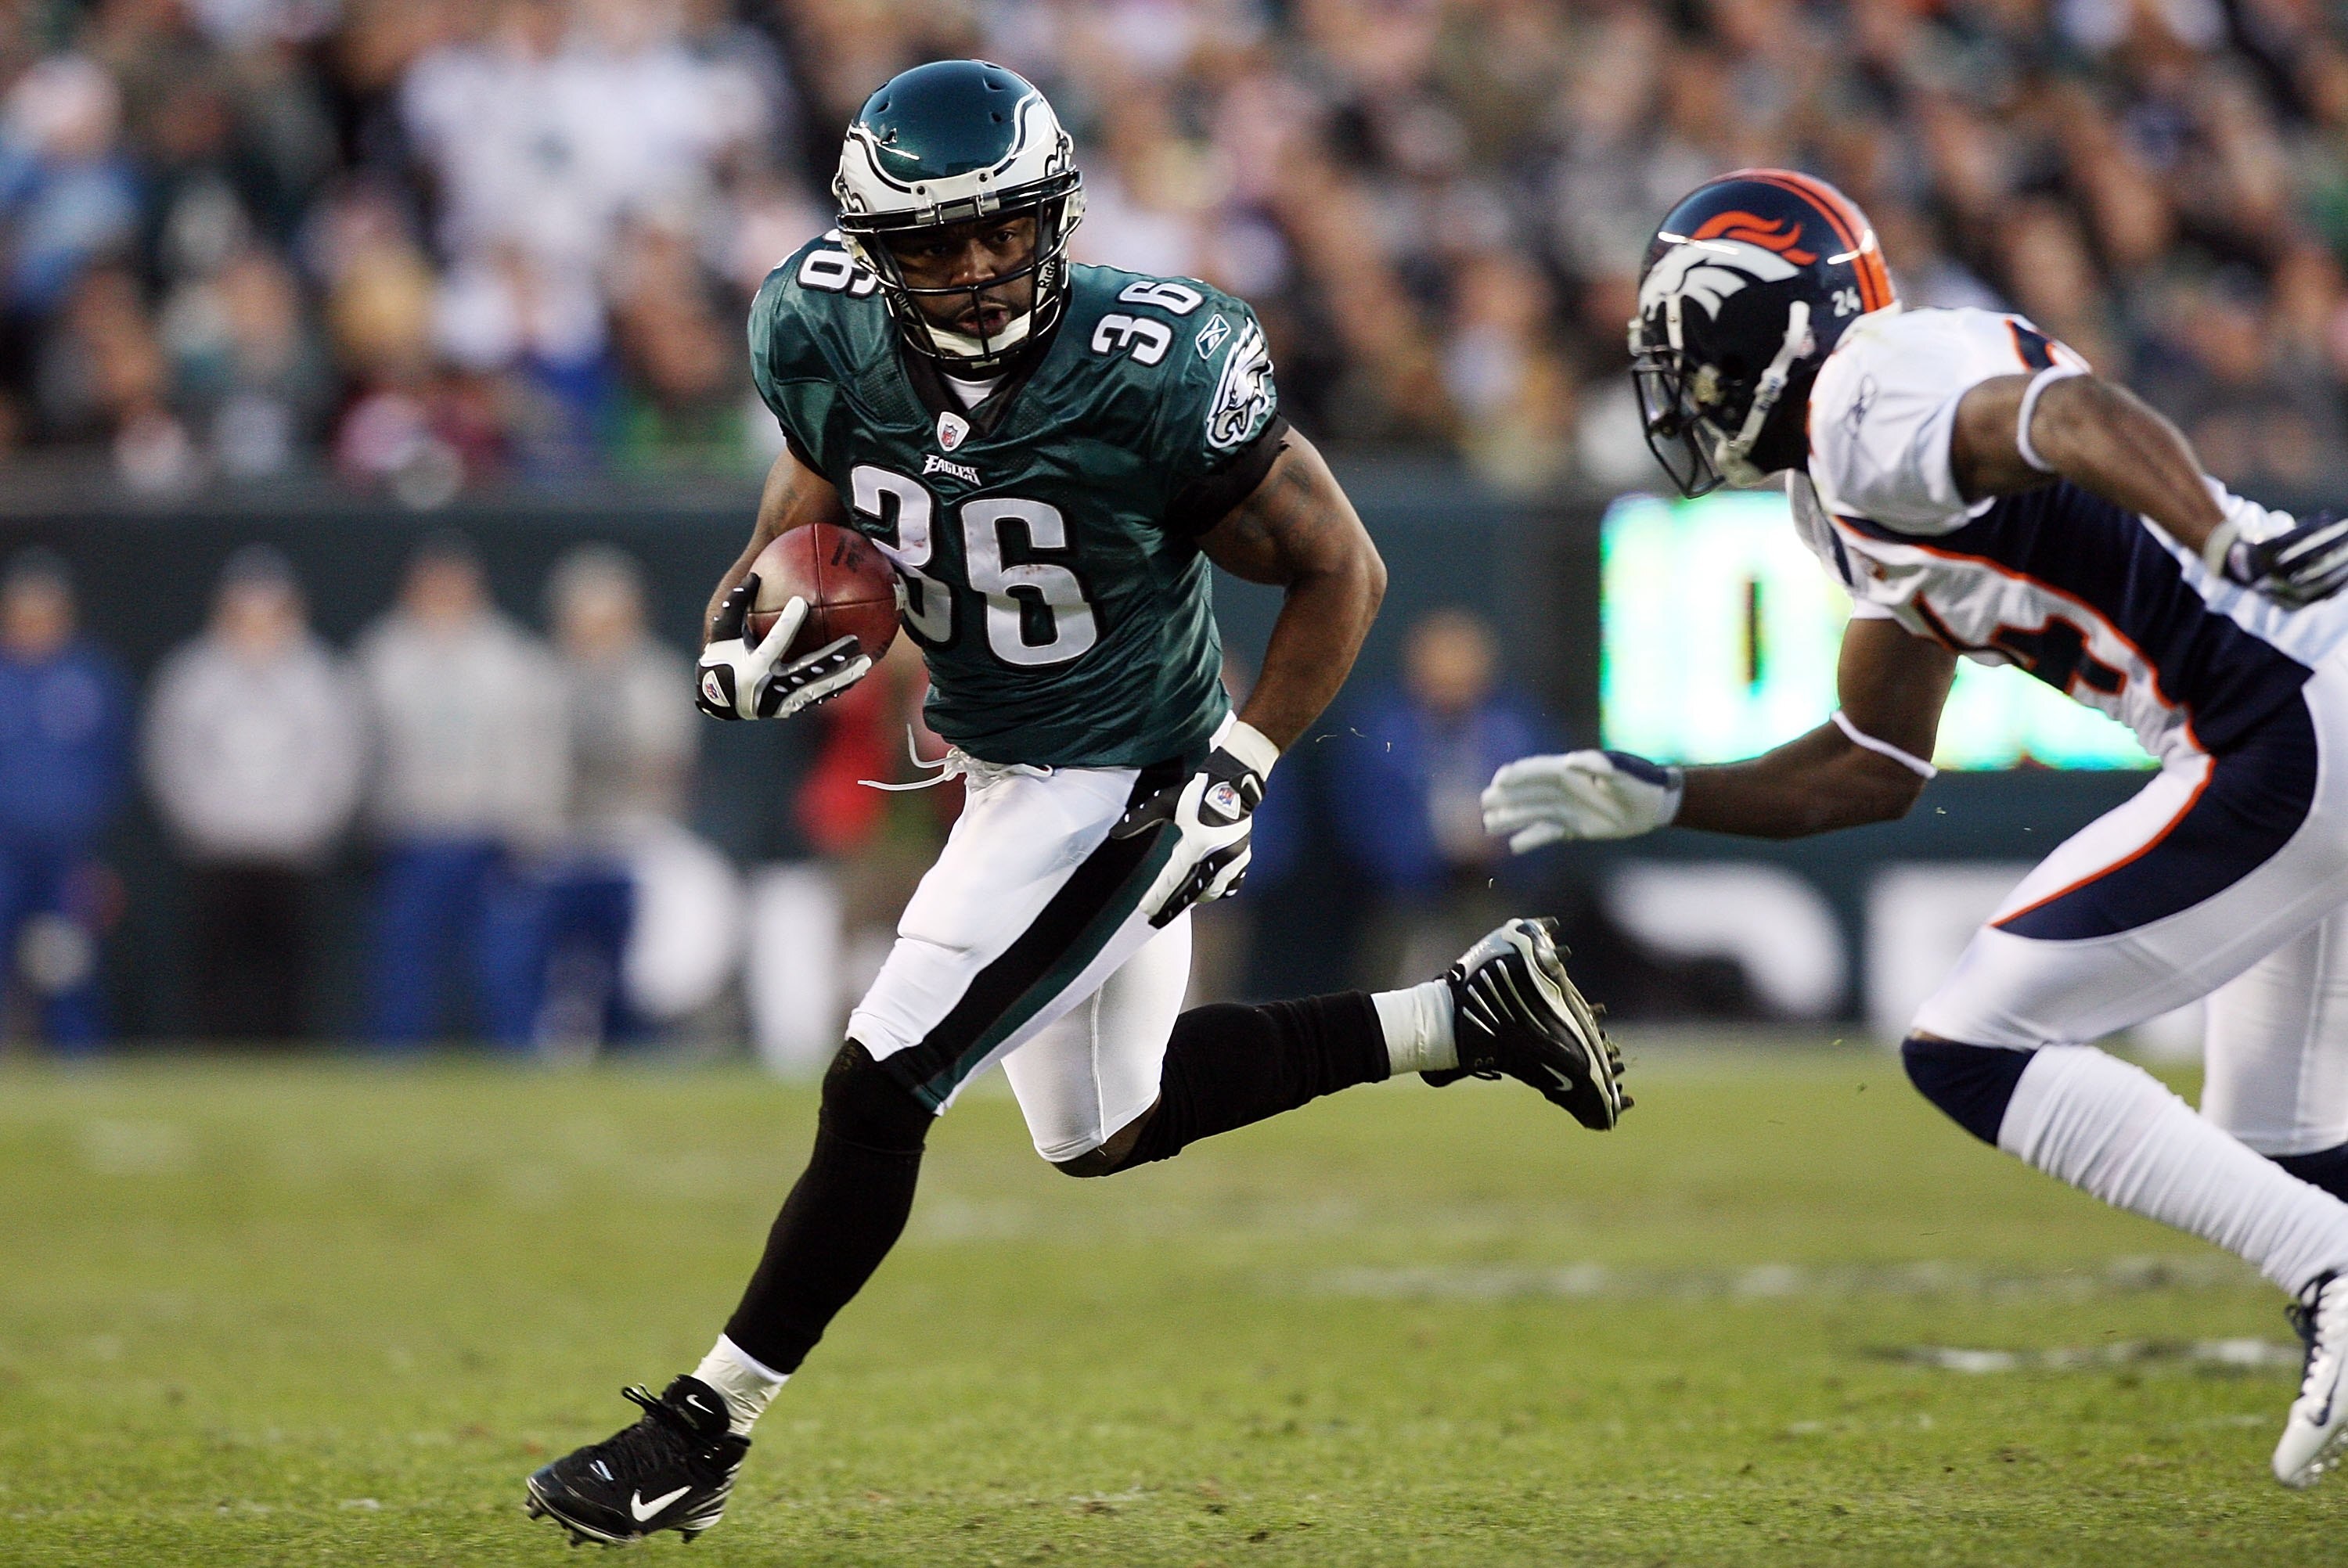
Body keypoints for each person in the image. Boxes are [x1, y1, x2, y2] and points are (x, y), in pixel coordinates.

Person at [524, 60, 1626, 1548]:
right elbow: (814, 477)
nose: (983, 267)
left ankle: (698, 1430)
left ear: (1057, 215)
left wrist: (1243, 763)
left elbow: (1341, 566)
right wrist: (765, 600)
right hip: (1000, 765)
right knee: (1107, 1124)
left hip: (1126, 775)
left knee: (883, 1083)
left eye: (1008, 228)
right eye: (941, 242)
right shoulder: (815, 325)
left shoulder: (1149, 363)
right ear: (877, 248)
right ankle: (1463, 1017)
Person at [1479, 168, 2348, 1490]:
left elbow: (2066, 414)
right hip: (2293, 709)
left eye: (1693, 362)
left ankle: (2336, 1269)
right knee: (2276, 1136)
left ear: (1763, 335)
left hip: (2284, 715)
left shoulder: (1866, 396)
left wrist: (2219, 537)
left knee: (1971, 1039)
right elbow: (1875, 761)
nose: (1684, 398)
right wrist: (1671, 793)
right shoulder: (1837, 480)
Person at [142, 546, 362, 1041]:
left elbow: (340, 760)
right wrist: (201, 824)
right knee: (215, 968)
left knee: (290, 969)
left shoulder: (319, 675)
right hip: (216, 848)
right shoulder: (194, 674)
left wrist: (311, 826)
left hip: (292, 849)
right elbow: (171, 757)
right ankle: (213, 1053)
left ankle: (289, 1054)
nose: (257, 625)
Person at [356, 534, 567, 1047]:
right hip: (411, 832)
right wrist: (369, 817)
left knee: (503, 962)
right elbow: (359, 747)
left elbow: (539, 747)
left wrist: (533, 823)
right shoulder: (383, 655)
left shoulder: (511, 656)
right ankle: (395, 1060)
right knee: (404, 964)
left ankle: (511, 1056)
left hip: (490, 831)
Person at [1339, 607, 1554, 987]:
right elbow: (1364, 819)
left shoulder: (1516, 728)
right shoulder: (1380, 730)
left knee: (1501, 973)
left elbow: (1547, 811)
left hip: (1493, 889)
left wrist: (1497, 844)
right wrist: (1435, 850)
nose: (1451, 679)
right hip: (1405, 894)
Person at [538, 544, 695, 1049]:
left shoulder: (657, 678)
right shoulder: (541, 678)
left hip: (636, 836)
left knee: (646, 951)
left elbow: (662, 763)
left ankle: (640, 1037)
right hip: (559, 839)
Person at [0, 551, 127, 1050]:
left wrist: (96, 841)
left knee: (69, 957)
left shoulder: (90, 676)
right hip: (4, 849)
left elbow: (115, 760)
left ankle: (78, 1056)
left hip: (69, 848)